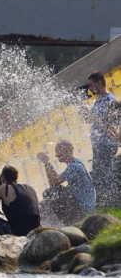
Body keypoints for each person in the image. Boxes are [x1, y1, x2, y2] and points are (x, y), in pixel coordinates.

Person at [37, 140, 96, 225]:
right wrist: (47, 164)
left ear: (66, 151)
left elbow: (53, 183)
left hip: (84, 208)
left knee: (50, 192)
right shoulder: (76, 162)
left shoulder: (74, 167)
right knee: (57, 190)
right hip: (87, 205)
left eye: (57, 151)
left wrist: (47, 163)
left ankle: (71, 223)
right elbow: (55, 180)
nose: (56, 155)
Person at [84, 71, 118, 208]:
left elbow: (109, 122)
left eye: (91, 85)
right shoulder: (98, 101)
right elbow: (91, 120)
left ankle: (110, 204)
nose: (90, 88)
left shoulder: (110, 99)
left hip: (106, 144)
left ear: (99, 82)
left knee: (104, 177)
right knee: (99, 177)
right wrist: (84, 113)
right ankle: (107, 204)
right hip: (98, 144)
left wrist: (93, 117)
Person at [0, 165, 41, 237]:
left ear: (3, 179)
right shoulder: (29, 188)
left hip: (18, 231)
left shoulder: (4, 187)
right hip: (35, 229)